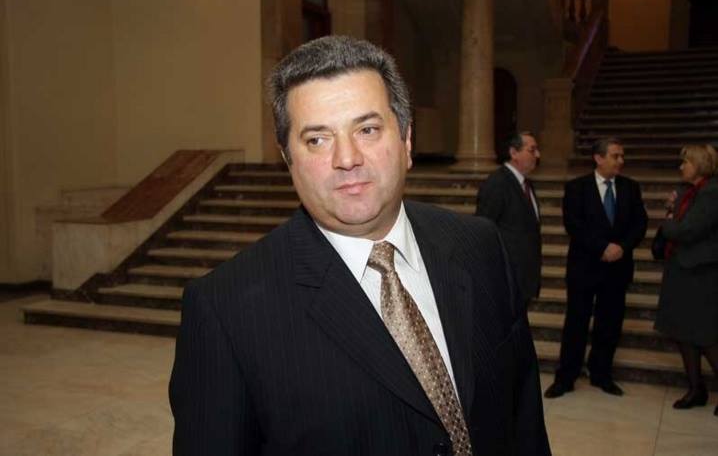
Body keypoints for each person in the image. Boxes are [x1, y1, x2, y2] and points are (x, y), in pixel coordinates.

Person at [169, 36, 551, 456]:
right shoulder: (224, 311)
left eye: (367, 130)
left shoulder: (480, 246)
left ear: (406, 140)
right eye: (317, 139)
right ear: (288, 160)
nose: (347, 158)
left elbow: (524, 419)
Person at [544, 138, 647, 398]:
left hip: (618, 268)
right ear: (599, 158)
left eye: (622, 156)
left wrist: (621, 247)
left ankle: (601, 374)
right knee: (576, 323)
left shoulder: (630, 188)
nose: (621, 161)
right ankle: (566, 377)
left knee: (609, 324)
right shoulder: (577, 187)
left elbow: (640, 224)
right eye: (615, 156)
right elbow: (573, 225)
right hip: (585, 267)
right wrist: (602, 248)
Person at [654, 144, 718, 416]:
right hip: (681, 271)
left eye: (686, 162)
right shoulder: (688, 191)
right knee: (682, 333)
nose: (681, 167)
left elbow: (688, 230)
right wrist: (672, 214)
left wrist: (667, 222)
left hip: (701, 274)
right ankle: (696, 389)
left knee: (705, 335)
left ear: (699, 165)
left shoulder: (712, 193)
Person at [476, 131, 541, 306]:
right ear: (514, 153)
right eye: (532, 150)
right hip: (506, 277)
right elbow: (484, 228)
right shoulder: (497, 183)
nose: (537, 155)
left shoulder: (526, 184)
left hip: (523, 276)